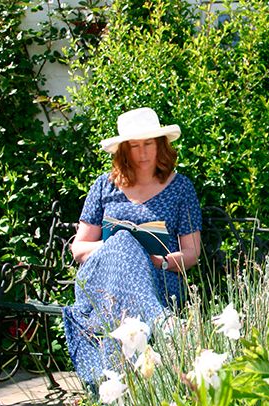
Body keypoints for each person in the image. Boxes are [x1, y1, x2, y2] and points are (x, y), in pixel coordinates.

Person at [62, 107, 202, 386]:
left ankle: (118, 386)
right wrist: (120, 248)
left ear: (160, 145)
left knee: (128, 246)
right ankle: (164, 324)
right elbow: (79, 249)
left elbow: (191, 253)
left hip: (158, 277)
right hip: (103, 281)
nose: (142, 153)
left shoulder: (181, 188)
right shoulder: (105, 186)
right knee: (124, 241)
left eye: (148, 143)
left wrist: (155, 260)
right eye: (134, 146)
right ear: (124, 150)